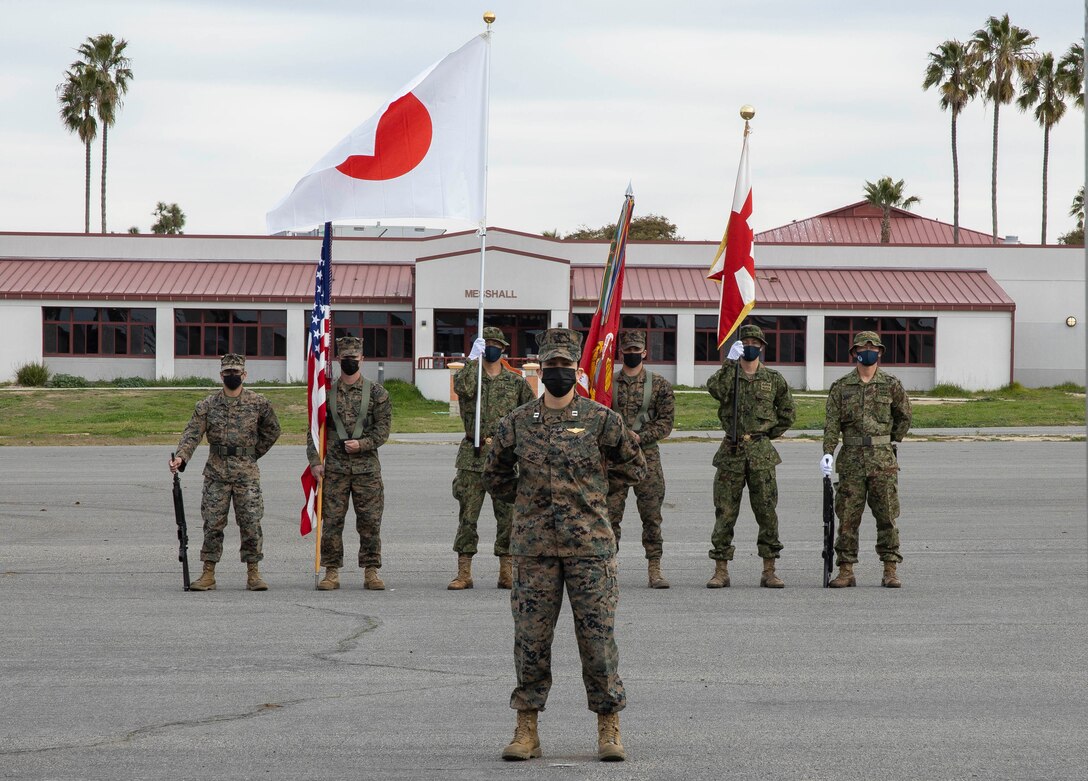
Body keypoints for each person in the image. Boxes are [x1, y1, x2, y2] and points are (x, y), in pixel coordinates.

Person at [485, 328, 644, 763]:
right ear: (540, 369)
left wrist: (597, 503)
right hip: (534, 550)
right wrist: (526, 502)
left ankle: (608, 727)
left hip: (590, 551)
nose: (558, 373)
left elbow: (635, 467)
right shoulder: (517, 422)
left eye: (565, 367)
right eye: (551, 366)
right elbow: (494, 475)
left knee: (598, 643)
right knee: (531, 641)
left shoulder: (600, 419)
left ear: (577, 370)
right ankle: (527, 729)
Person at [169, 353, 281, 591]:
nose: (232, 376)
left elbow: (273, 431)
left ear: (245, 375)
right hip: (216, 474)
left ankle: (253, 573)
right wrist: (181, 456)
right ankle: (208, 573)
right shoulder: (207, 405)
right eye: (228, 373)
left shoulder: (258, 403)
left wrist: (252, 454)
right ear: (221, 375)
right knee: (212, 524)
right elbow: (192, 433)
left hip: (246, 474)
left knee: (251, 523)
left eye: (236, 373)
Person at [705, 324, 796, 588]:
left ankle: (769, 570)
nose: (750, 346)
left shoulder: (774, 379)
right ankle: (720, 570)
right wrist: (728, 363)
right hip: (731, 453)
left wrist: (764, 436)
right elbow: (715, 391)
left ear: (762, 347)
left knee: (767, 512)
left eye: (755, 342)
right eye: (745, 342)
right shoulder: (728, 375)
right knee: (725, 512)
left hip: (761, 453)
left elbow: (788, 413)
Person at [821, 330, 912, 588]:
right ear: (854, 353)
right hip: (850, 460)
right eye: (863, 348)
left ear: (880, 353)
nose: (868, 352)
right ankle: (846, 570)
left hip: (882, 461)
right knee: (848, 518)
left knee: (887, 516)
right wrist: (828, 451)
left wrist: (887, 439)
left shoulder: (891, 384)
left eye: (873, 348)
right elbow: (831, 424)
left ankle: (890, 569)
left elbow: (904, 416)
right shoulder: (841, 387)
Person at [448, 326, 535, 590]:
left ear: (504, 349)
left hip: (504, 458)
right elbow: (460, 387)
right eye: (488, 345)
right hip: (472, 457)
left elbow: (531, 415)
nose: (492, 349)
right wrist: (471, 360)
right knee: (468, 517)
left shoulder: (516, 382)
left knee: (508, 517)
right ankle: (464, 572)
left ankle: (506, 571)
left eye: (497, 345)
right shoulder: (470, 377)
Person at [307, 336, 392, 591]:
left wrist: (363, 444)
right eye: (345, 359)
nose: (350, 362)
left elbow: (383, 430)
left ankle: (371, 571)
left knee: (369, 522)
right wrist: (314, 462)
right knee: (332, 522)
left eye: (354, 359)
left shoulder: (377, 393)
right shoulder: (326, 393)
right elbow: (313, 432)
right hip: (335, 468)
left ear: (362, 360)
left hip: (366, 469)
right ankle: (331, 571)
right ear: (338, 359)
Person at [607, 329, 675, 588]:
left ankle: (654, 568)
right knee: (610, 515)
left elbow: (666, 423)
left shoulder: (659, 385)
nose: (632, 354)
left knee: (651, 515)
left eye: (637, 351)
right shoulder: (608, 384)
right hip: (615, 459)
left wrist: (641, 436)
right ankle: (609, 567)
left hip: (647, 457)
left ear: (645, 352)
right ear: (621, 352)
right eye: (628, 351)